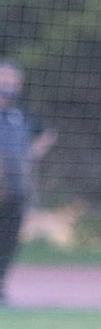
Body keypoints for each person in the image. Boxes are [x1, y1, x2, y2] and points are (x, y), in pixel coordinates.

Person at [0, 61, 58, 306]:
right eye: (4, 81)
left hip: (16, 191)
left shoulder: (21, 115)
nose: (8, 86)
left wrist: (28, 155)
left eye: (13, 82)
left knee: (8, 240)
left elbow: (49, 134)